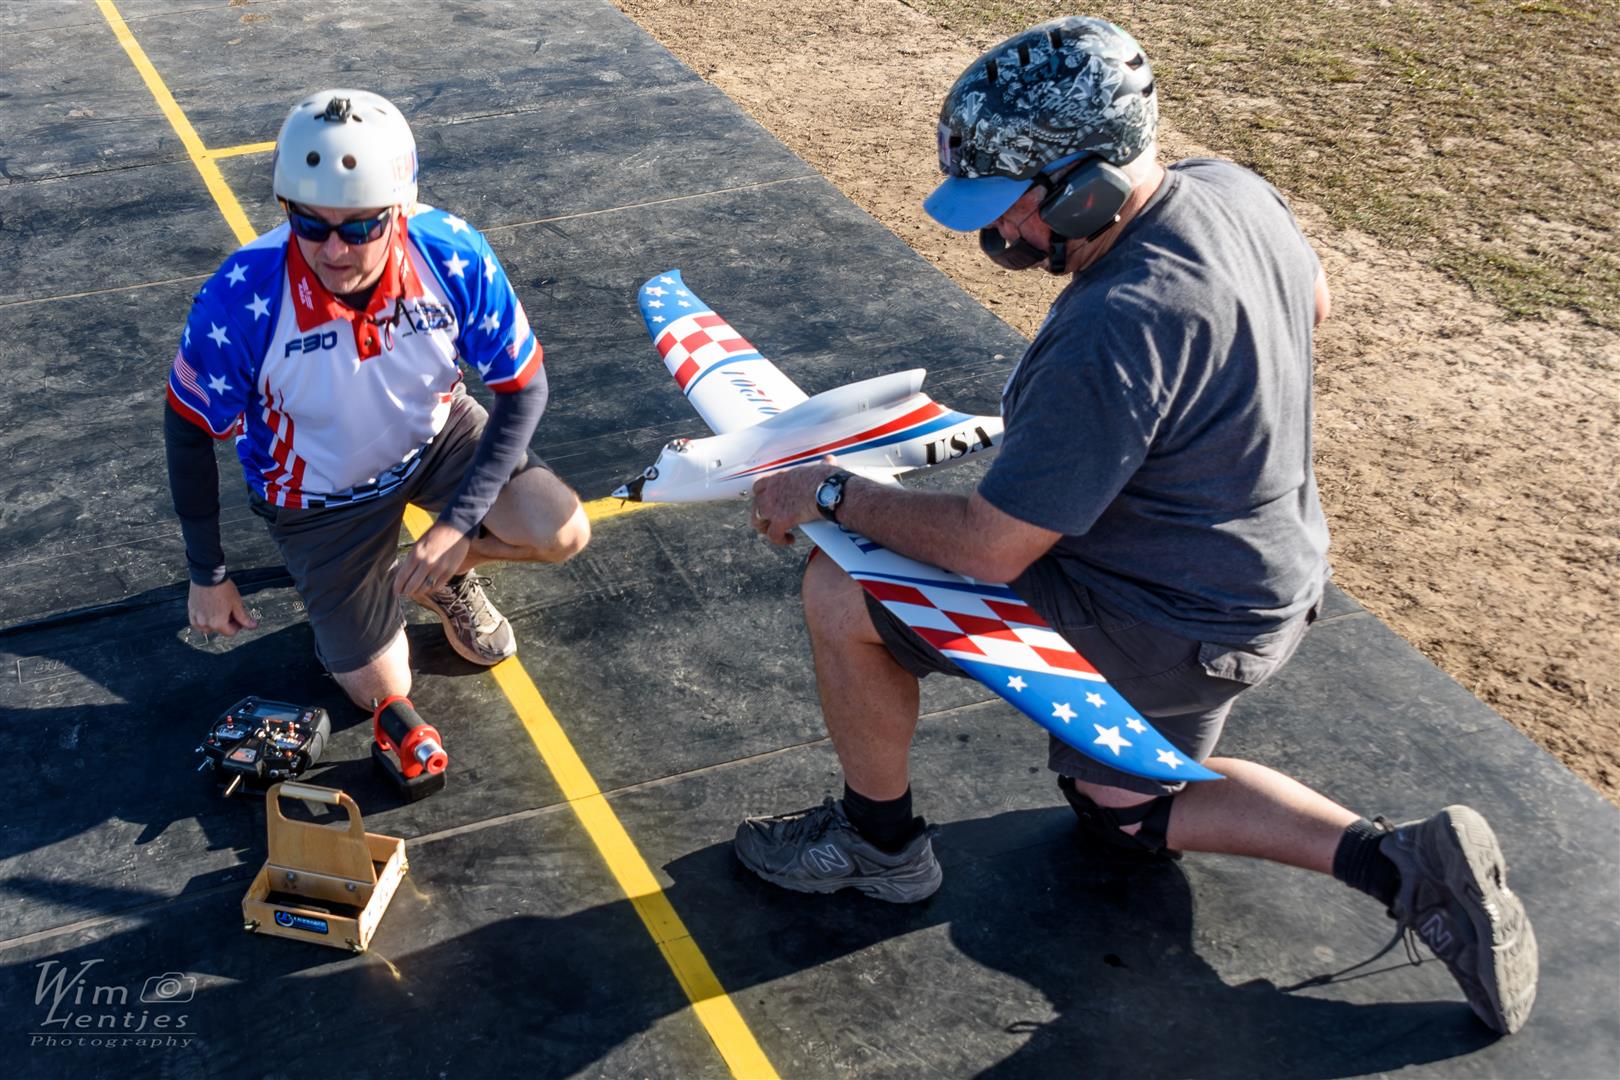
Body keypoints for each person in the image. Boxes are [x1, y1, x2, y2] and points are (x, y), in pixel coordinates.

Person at [736, 18, 1536, 1035]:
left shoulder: (1118, 324)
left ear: (1088, 186)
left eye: (1016, 207)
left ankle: (876, 845)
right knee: (1123, 810)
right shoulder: (1230, 191)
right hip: (1262, 581)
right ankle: (1399, 863)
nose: (1001, 237)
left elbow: (989, 547)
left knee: (842, 585)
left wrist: (831, 495)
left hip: (1176, 615)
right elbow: (1316, 300)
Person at [165, 89, 589, 713]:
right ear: (287, 208)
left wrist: (455, 526)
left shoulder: (452, 254)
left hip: (437, 441)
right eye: (310, 224)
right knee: (382, 692)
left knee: (565, 530)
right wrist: (207, 574)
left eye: (360, 226)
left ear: (401, 209)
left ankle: (444, 572)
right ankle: (376, 593)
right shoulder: (239, 297)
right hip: (320, 500)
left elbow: (523, 388)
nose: (334, 251)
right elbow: (187, 426)